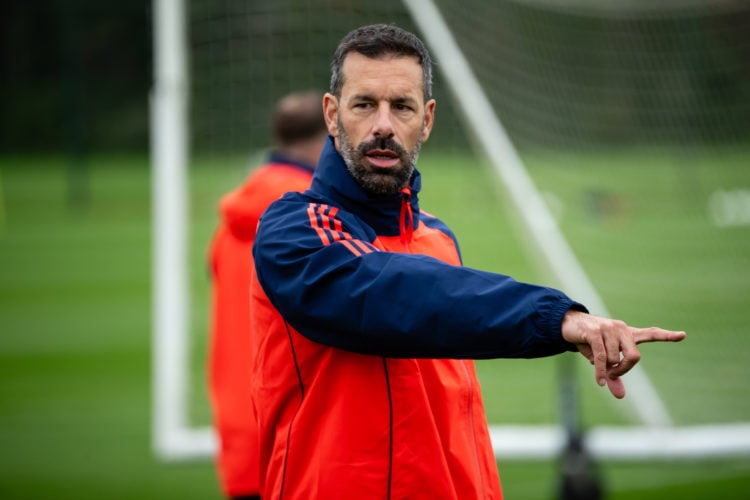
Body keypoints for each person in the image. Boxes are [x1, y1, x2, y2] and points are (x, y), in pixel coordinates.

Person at [249, 24, 686, 499]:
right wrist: (553, 317)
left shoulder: (436, 238)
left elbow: (462, 424)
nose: (382, 125)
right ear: (332, 115)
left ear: (428, 119)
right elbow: (393, 293)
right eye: (364, 104)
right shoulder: (291, 231)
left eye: (402, 106)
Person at [207, 90, 328, 500]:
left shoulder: (232, 220)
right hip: (298, 435)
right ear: (328, 137)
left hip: (241, 433)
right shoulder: (317, 217)